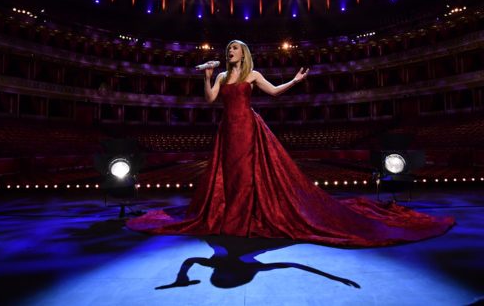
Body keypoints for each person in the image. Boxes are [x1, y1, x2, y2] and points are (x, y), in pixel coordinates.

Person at [127, 40, 454, 248]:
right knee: (229, 174)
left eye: (235, 49)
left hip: (249, 129)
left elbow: (272, 92)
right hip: (227, 130)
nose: (230, 52)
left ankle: (246, 218)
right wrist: (207, 75)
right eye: (228, 49)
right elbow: (211, 99)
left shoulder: (252, 76)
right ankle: (230, 216)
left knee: (249, 173)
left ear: (244, 54)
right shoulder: (224, 77)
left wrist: (295, 82)